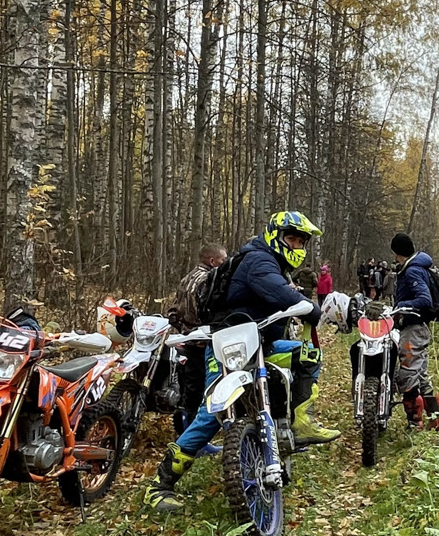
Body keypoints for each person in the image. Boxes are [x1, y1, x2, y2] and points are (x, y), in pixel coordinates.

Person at [146, 212, 341, 513]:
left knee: (307, 355)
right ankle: (160, 484)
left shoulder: (270, 262)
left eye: (302, 240)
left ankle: (300, 422)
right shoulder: (259, 261)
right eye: (292, 238)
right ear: (276, 235)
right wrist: (312, 311)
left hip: (262, 344)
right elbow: (279, 293)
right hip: (228, 347)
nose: (297, 245)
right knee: (212, 413)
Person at [167, 243, 228, 452]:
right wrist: (202, 333)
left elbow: (172, 312)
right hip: (201, 342)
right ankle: (194, 443)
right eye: (223, 259)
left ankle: (187, 437)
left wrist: (184, 331)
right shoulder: (207, 280)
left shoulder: (188, 277)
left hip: (188, 340)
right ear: (213, 261)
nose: (225, 263)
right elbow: (206, 312)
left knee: (190, 389)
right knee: (200, 391)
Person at [390, 233, 439, 429]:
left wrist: (401, 305)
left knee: (408, 375)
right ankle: (435, 419)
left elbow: (424, 299)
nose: (394, 258)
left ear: (398, 252)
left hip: (413, 328)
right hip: (419, 327)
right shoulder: (418, 267)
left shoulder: (412, 271)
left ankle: (415, 421)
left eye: (395, 253)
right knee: (420, 375)